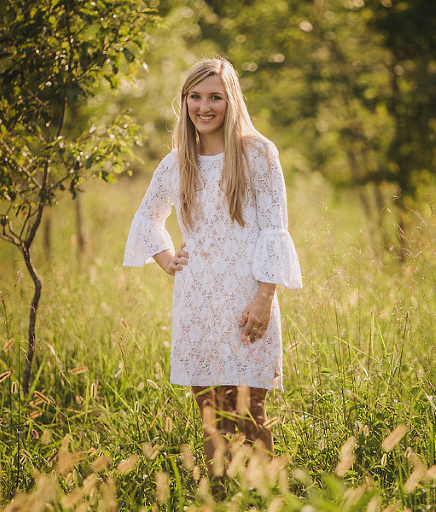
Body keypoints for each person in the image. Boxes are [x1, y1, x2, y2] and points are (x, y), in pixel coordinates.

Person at [122, 58, 302, 485]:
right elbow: (148, 219)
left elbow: (275, 230)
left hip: (248, 300)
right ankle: (218, 495)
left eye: (215, 97)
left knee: (250, 411)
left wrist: (264, 297)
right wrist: (166, 259)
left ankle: (262, 496)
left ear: (231, 100)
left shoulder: (257, 153)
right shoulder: (177, 162)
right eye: (195, 97)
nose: (205, 107)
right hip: (197, 301)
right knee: (211, 416)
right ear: (184, 102)